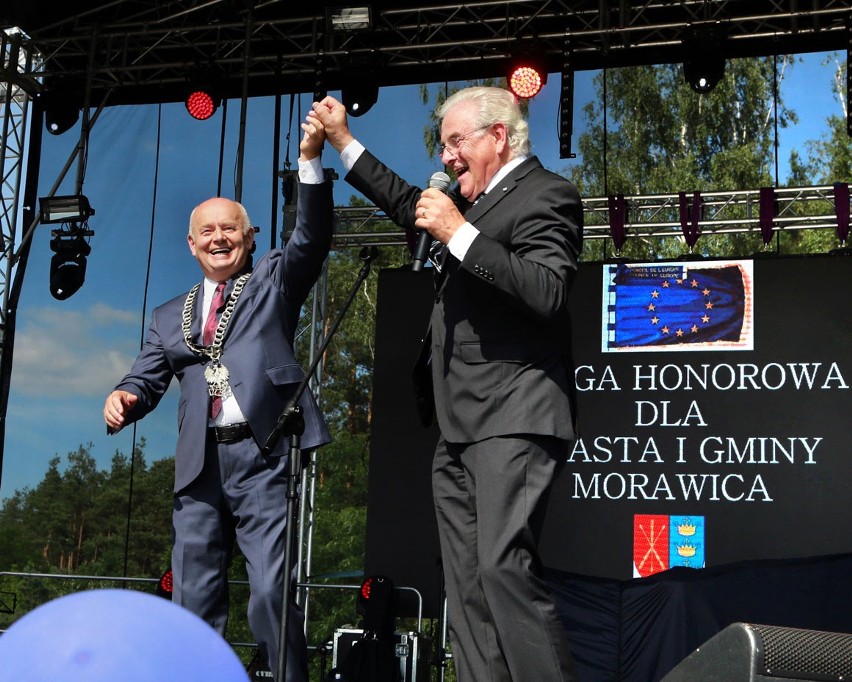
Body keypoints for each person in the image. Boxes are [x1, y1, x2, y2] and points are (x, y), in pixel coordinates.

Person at [312, 86, 583, 681]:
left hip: (514, 413)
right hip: (457, 421)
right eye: (443, 144)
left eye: (457, 141)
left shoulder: (547, 194)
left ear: (498, 137)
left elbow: (547, 290)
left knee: (502, 567)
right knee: (463, 586)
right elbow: (408, 201)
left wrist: (459, 232)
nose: (449, 155)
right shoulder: (469, 202)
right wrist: (343, 142)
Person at [103, 116, 333, 682]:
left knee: (270, 593)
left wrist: (309, 161)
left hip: (262, 455)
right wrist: (124, 395)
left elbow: (311, 237)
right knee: (193, 599)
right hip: (198, 467)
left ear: (249, 237)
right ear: (191, 243)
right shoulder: (166, 315)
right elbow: (147, 377)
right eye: (207, 231)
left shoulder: (272, 281)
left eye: (230, 229)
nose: (219, 239)